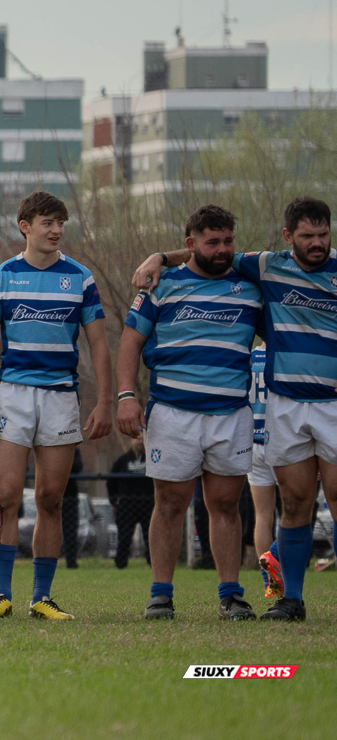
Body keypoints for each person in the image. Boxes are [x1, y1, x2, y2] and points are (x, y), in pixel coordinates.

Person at [133, 196, 336, 621]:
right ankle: (289, 600)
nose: (317, 243)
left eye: (323, 234)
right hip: (277, 405)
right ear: (288, 237)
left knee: (327, 498)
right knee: (294, 501)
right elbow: (207, 254)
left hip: (312, 405)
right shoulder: (266, 266)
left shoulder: (275, 280)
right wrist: (156, 257)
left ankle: (241, 595)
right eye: (307, 236)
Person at [0, 190, 113, 620]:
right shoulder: (2, 276)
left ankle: (42, 598)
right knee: (7, 495)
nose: (56, 231)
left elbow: (99, 345)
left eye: (60, 223)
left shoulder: (81, 278)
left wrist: (105, 401)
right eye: (47, 223)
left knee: (52, 498)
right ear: (25, 227)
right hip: (13, 393)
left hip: (61, 397)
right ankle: (1, 595)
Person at [119, 204, 263, 620]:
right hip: (173, 412)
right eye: (212, 241)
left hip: (230, 413)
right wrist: (126, 396)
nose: (222, 249)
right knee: (169, 503)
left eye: (227, 241)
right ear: (191, 244)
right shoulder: (160, 286)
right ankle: (161, 595)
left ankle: (231, 596)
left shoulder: (249, 287)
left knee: (224, 503)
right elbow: (130, 343)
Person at [245, 345, 283, 598]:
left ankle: (269, 579)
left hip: (252, 443)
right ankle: (275, 558)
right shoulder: (283, 356)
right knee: (295, 513)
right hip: (282, 441)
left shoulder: (248, 358)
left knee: (263, 517)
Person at [108, 432, 153, 568]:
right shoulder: (122, 461)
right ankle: (121, 563)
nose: (139, 441)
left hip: (148, 502)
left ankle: (153, 563)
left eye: (142, 438)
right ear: (131, 441)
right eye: (136, 438)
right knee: (124, 536)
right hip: (126, 504)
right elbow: (111, 483)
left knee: (151, 535)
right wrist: (114, 502)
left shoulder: (152, 459)